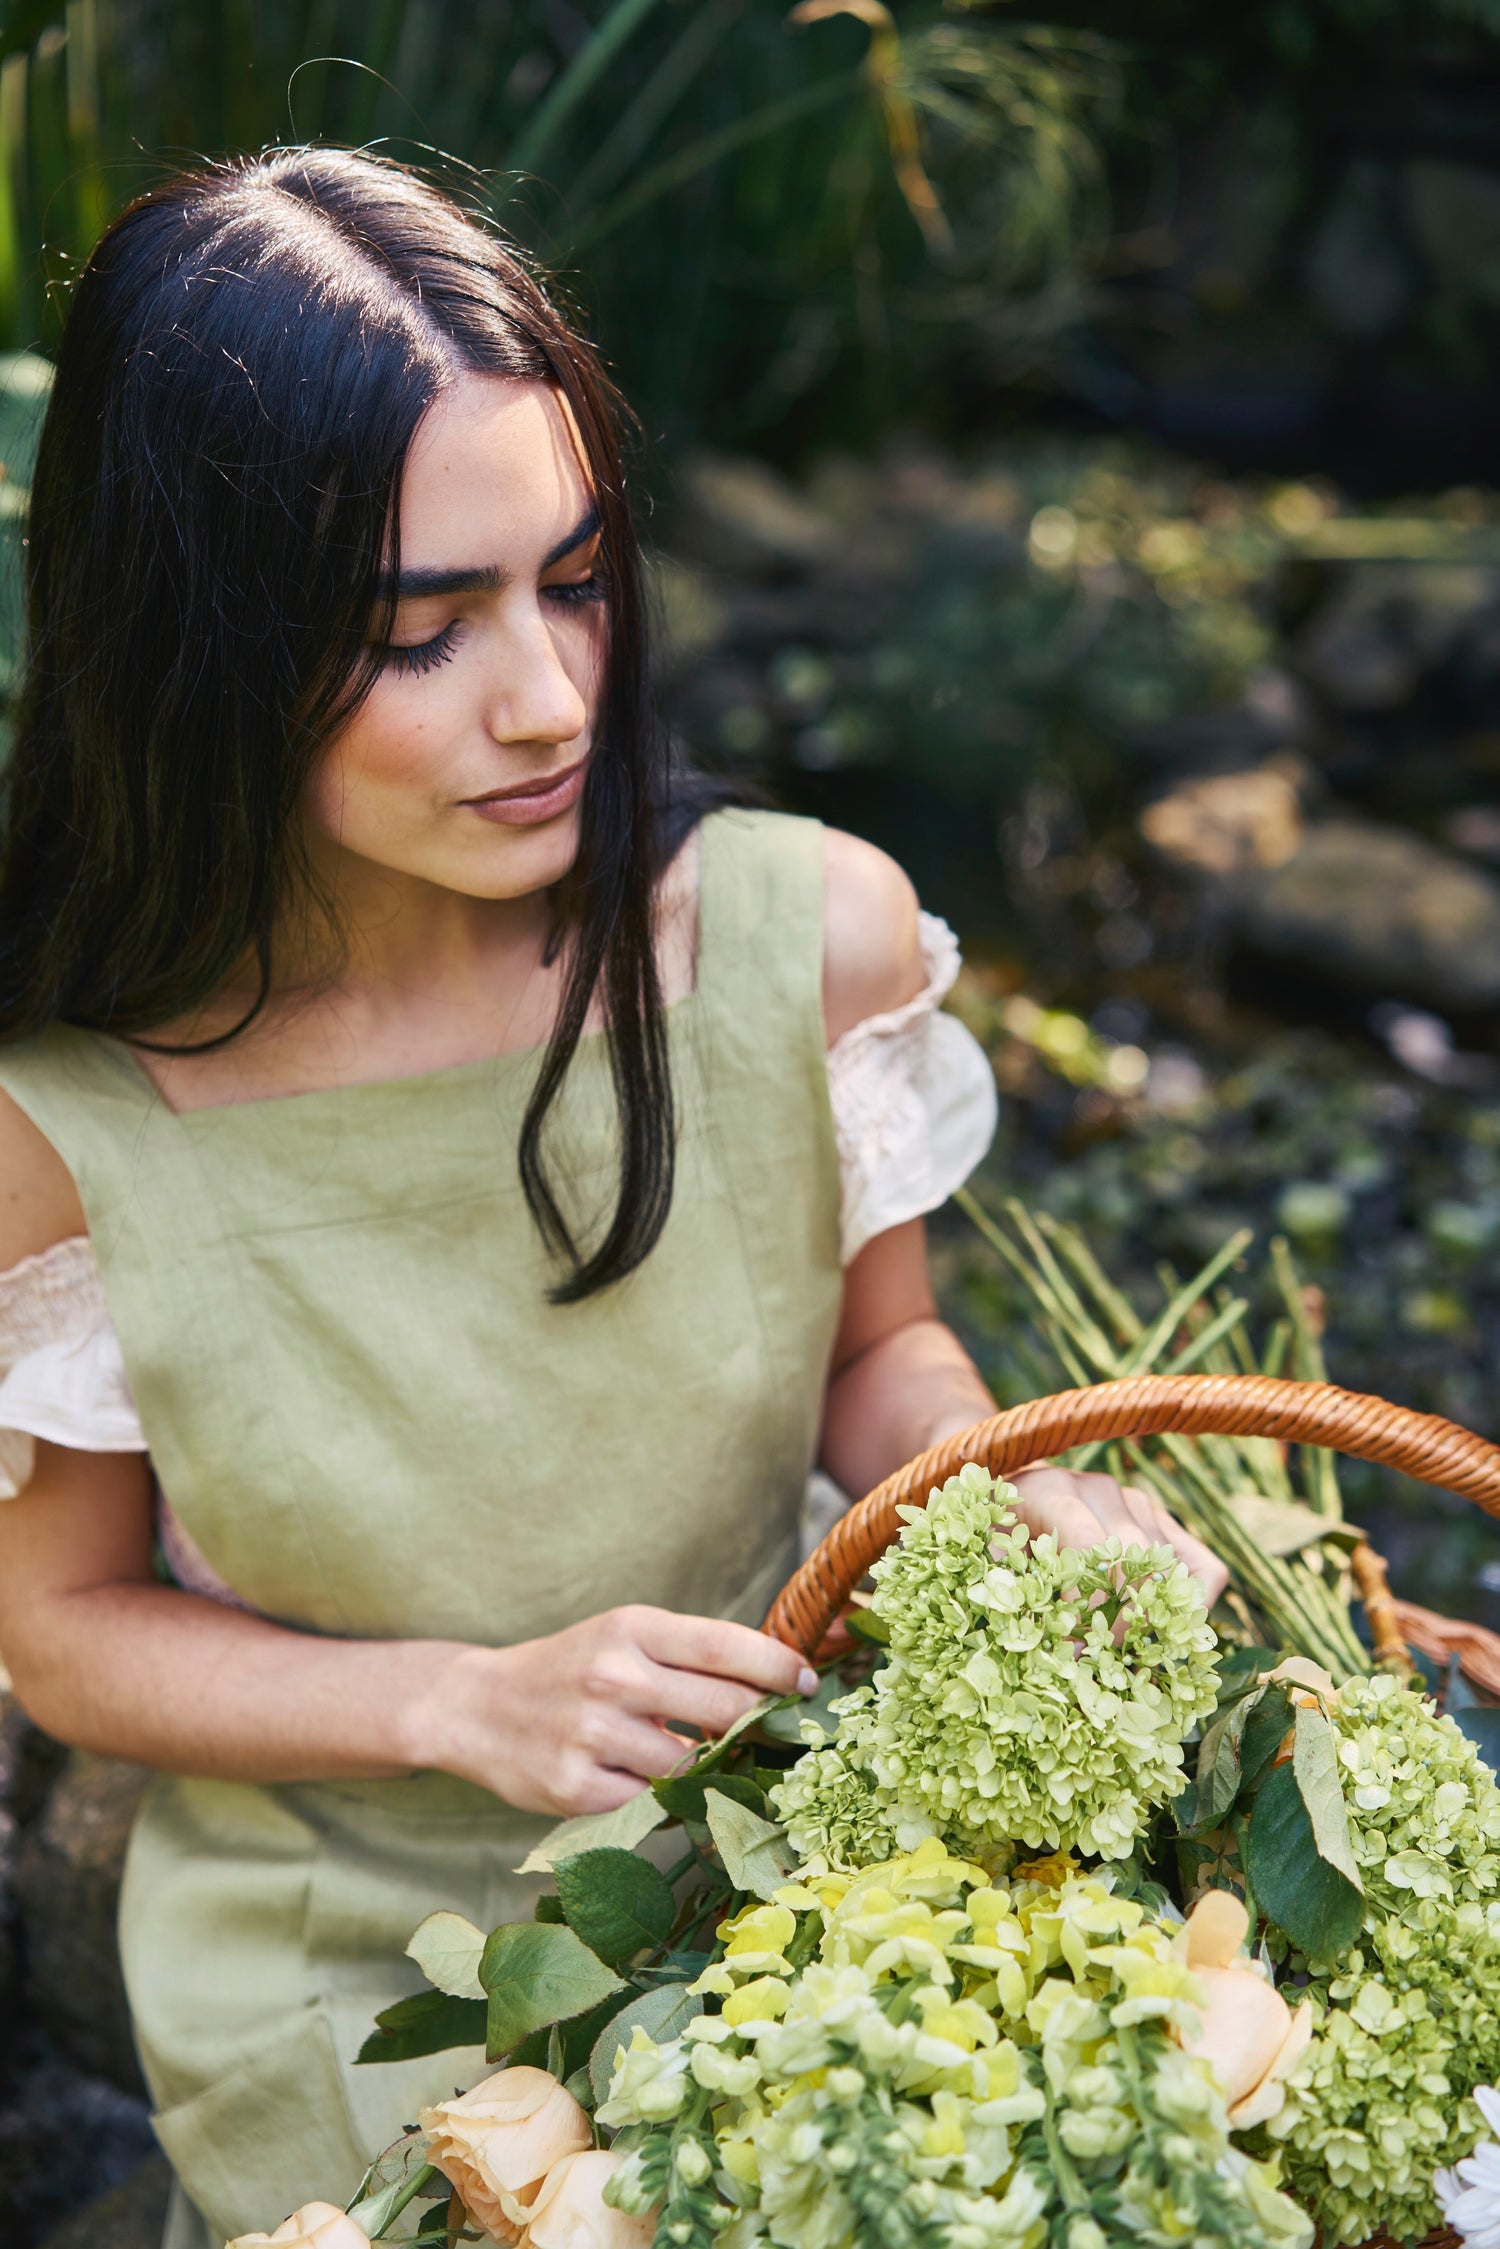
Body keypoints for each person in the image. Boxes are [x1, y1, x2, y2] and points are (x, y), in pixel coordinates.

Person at [0, 149, 1225, 2249]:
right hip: (354, 1983)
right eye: (421, 630)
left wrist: (994, 1484)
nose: (552, 698)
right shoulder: (76, 1119)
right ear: (194, 639)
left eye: (573, 580)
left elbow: (884, 1360)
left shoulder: (798, 941)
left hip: (820, 1879)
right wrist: (458, 1701)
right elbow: (61, 1634)